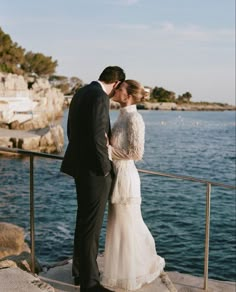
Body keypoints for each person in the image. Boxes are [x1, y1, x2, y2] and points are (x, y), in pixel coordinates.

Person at [60, 66, 126, 292]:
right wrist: (106, 168)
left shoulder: (81, 92)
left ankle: (79, 272)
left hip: (80, 166)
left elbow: (71, 130)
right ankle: (90, 284)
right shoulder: (99, 96)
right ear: (116, 83)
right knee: (92, 227)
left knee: (83, 222)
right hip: (94, 171)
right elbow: (99, 136)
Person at [101, 80, 165, 291]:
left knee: (128, 224)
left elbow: (137, 153)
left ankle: (135, 271)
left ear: (127, 95)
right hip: (115, 174)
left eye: (119, 88)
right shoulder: (121, 116)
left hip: (126, 177)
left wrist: (108, 150)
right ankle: (120, 272)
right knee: (118, 225)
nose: (115, 90)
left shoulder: (134, 118)